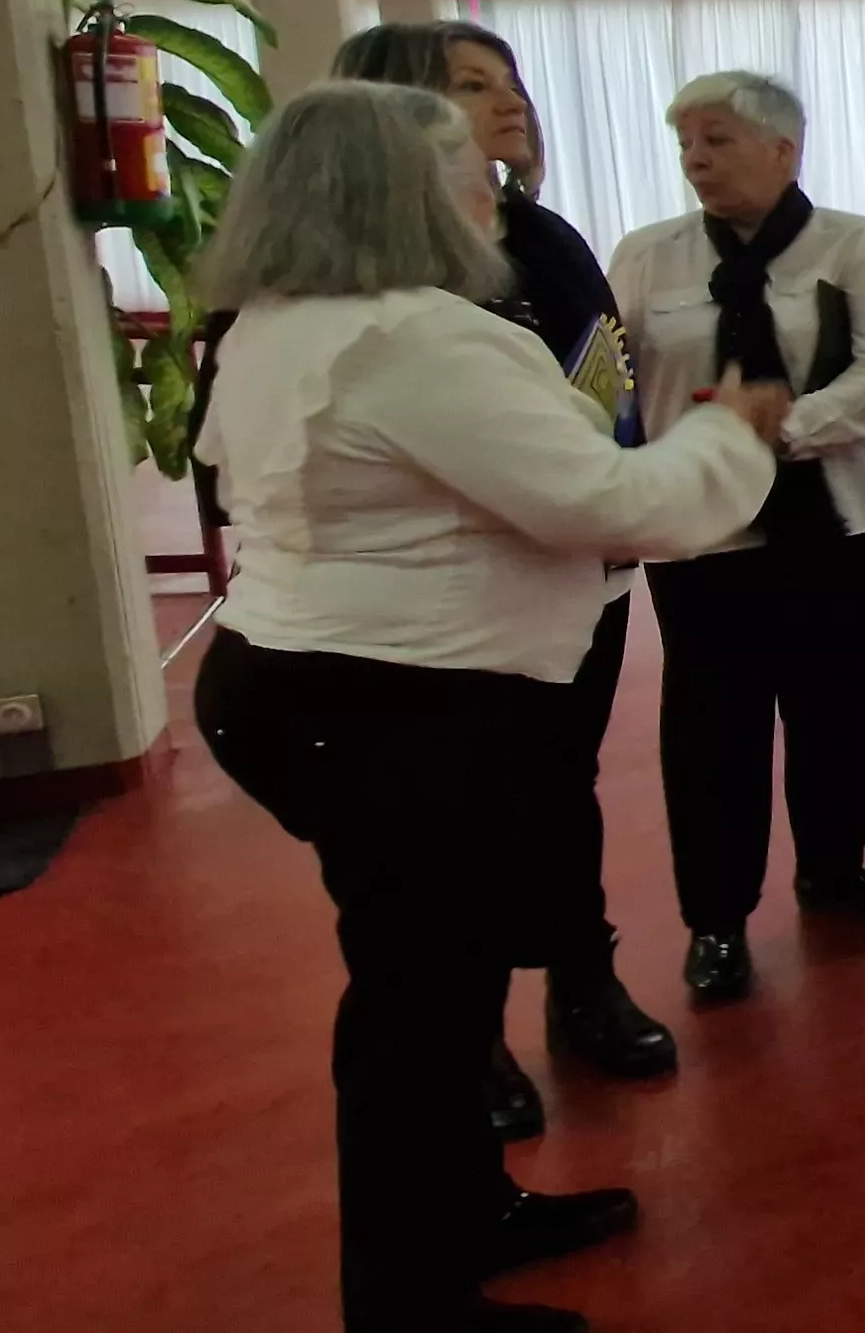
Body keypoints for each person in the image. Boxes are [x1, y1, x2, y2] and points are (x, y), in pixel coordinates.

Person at [192, 81, 783, 1333]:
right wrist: (733, 434)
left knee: (431, 985)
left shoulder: (274, 321)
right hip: (397, 702)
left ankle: (465, 1210)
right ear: (403, 191)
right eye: (464, 161)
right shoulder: (417, 337)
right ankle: (412, 1300)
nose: (489, 184)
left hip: (303, 680)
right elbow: (610, 504)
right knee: (418, 1005)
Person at [325, 23, 681, 1143]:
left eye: (509, 80)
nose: (510, 101)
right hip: (443, 599)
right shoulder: (354, 266)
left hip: (576, 569)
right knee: (451, 823)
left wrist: (606, 489)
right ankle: (468, 1032)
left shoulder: (543, 235)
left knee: (559, 786)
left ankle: (582, 980)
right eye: (471, 86)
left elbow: (605, 377)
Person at [609, 71, 865, 1005]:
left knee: (830, 703)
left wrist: (781, 427)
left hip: (840, 519)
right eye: (687, 144)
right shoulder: (647, 254)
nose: (696, 161)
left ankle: (832, 869)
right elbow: (610, 379)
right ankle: (716, 917)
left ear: (784, 150)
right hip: (703, 526)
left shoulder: (853, 242)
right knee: (712, 725)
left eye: (717, 141)